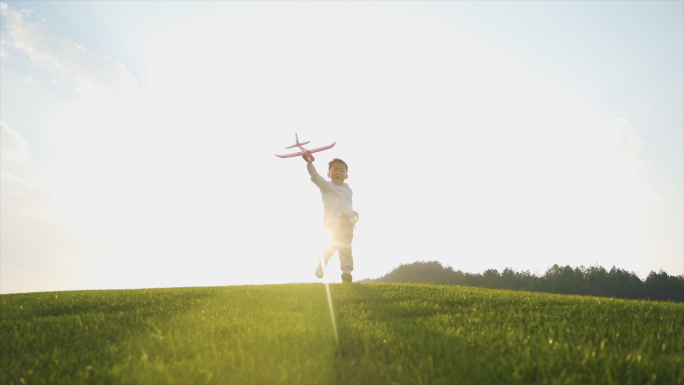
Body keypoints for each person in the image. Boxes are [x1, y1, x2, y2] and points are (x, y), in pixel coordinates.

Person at [303, 155, 359, 282]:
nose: (338, 172)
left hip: (346, 222)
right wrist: (310, 164)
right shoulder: (327, 186)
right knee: (330, 246)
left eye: (341, 170)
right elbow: (315, 178)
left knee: (345, 247)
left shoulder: (348, 189)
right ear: (329, 174)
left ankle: (347, 271)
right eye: (335, 170)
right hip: (331, 222)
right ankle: (321, 264)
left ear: (346, 175)